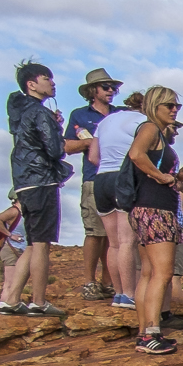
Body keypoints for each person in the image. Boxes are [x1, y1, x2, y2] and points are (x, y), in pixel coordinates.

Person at [6, 61, 83, 316]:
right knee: (41, 244)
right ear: (32, 84)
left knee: (32, 242)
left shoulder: (20, 112)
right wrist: (56, 128)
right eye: (47, 78)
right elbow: (55, 149)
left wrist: (52, 124)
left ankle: (11, 299)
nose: (53, 83)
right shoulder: (39, 113)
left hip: (24, 182)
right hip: (42, 180)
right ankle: (38, 302)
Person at [125, 86, 183, 355]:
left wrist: (175, 177)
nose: (174, 110)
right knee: (162, 273)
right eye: (169, 106)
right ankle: (151, 332)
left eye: (177, 106)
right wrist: (161, 177)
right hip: (156, 210)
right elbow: (136, 154)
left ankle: (145, 333)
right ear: (155, 106)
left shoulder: (156, 132)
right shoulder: (150, 128)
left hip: (145, 208)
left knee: (149, 273)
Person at [68, 68, 121, 299]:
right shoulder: (80, 115)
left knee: (113, 234)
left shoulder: (120, 114)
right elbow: (67, 146)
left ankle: (109, 281)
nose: (111, 91)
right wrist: (92, 142)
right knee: (94, 232)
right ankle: (89, 281)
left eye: (113, 87)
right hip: (93, 178)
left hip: (118, 178)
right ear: (93, 91)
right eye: (106, 87)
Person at [94, 92, 145, 310]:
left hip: (101, 178)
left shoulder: (105, 121)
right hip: (123, 177)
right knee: (127, 241)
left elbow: (93, 157)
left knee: (113, 242)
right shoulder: (143, 121)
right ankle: (130, 294)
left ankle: (118, 294)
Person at [0, 196, 29, 312]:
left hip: (20, 249)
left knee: (15, 281)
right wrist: (9, 235)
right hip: (11, 249)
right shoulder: (14, 211)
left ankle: (10, 304)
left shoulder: (23, 212)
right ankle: (5, 305)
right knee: (9, 282)